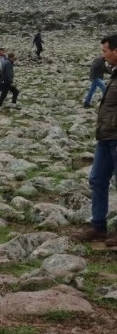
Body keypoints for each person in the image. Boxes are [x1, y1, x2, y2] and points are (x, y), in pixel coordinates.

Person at [76, 34, 117, 245]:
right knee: (97, 180)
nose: (103, 55)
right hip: (106, 137)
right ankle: (98, 227)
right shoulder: (114, 74)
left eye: (105, 51)